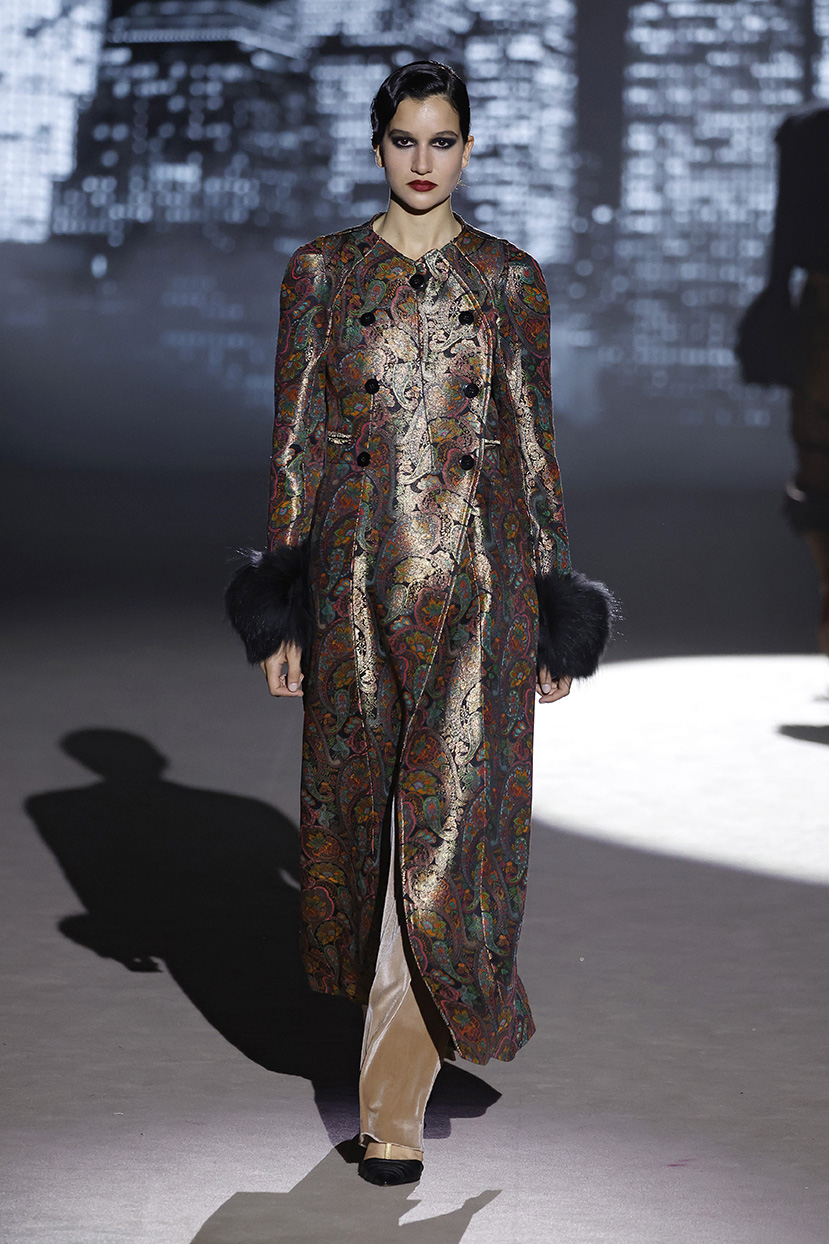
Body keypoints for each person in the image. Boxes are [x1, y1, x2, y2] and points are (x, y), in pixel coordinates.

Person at [226, 61, 615, 1186]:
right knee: (364, 830)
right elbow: (295, 444)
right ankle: (403, 1049)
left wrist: (553, 605)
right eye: (404, 139)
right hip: (350, 586)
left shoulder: (508, 278)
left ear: (468, 148)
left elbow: (532, 447)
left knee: (444, 833)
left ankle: (390, 1106)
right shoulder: (320, 272)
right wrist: (283, 607)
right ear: (377, 145)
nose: (422, 160)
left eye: (442, 140)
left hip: (481, 591)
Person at [736, 106, 829, 656]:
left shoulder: (808, 137)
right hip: (818, 313)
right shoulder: (809, 137)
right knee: (816, 465)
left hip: (817, 312)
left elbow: (785, 235)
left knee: (817, 464)